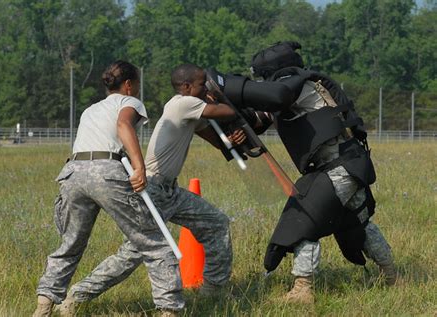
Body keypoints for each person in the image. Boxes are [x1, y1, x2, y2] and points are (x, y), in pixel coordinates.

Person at [208, 41, 397, 304]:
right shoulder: (297, 87)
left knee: (302, 219)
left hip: (338, 166)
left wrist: (224, 84)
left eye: (263, 76)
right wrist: (236, 121)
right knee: (357, 222)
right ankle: (391, 275)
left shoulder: (294, 84)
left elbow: (274, 96)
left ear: (275, 71)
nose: (262, 82)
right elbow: (260, 117)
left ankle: (303, 289)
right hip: (350, 164)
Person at [55, 63, 242, 317]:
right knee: (132, 255)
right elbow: (229, 111)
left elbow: (220, 142)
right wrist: (219, 95)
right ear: (187, 88)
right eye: (202, 84)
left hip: (170, 191)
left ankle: (213, 290)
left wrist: (232, 140)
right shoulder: (181, 103)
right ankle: (76, 296)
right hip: (152, 189)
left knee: (216, 223)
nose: (206, 88)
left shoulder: (191, 110)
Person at [33, 60, 185, 316]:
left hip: (73, 173)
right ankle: (169, 309)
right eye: (136, 84)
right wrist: (139, 168)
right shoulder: (130, 102)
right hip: (106, 173)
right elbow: (124, 126)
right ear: (128, 85)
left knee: (70, 245)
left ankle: (44, 306)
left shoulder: (90, 109)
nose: (137, 89)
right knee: (154, 243)